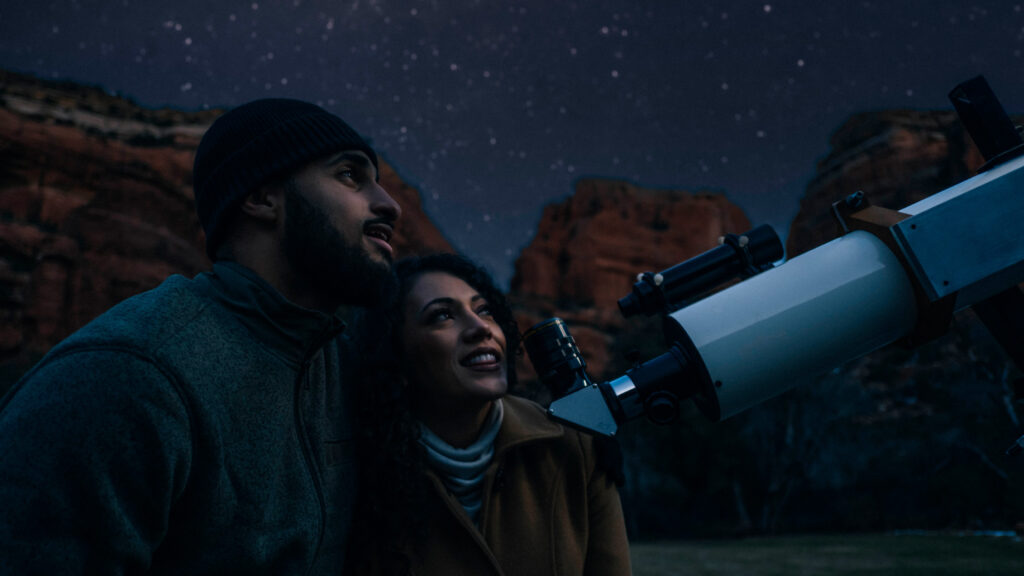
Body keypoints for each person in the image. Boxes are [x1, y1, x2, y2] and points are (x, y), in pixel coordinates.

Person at [0, 98, 401, 575]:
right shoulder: (126, 376)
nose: (390, 205)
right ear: (262, 198)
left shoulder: (341, 363)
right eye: (350, 175)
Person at [350, 253, 632, 575]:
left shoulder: (576, 446)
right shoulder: (359, 472)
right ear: (394, 353)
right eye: (442, 315)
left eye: (484, 310)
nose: (481, 327)